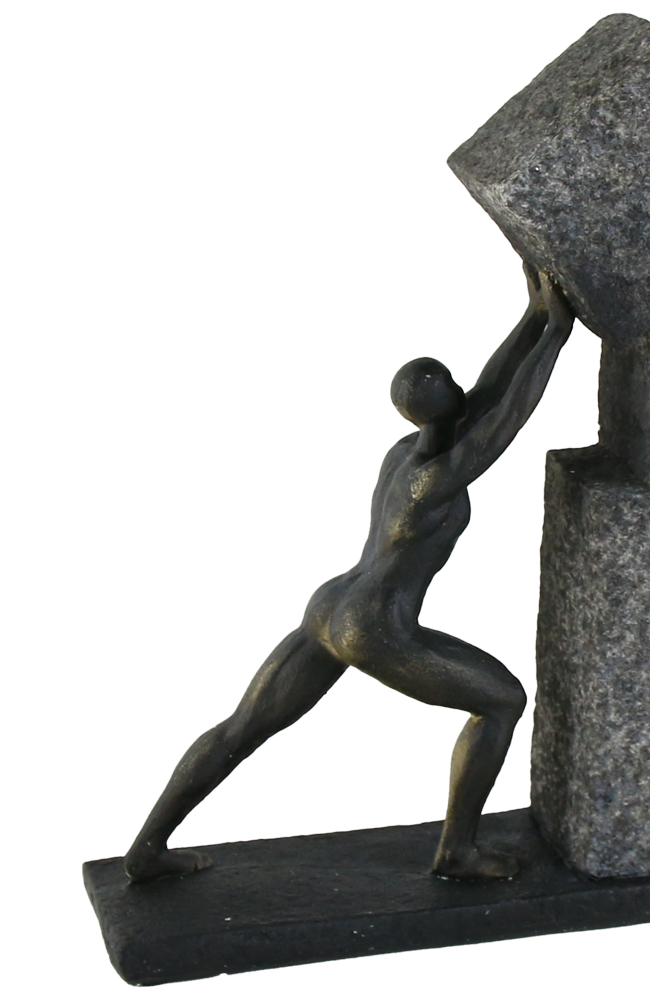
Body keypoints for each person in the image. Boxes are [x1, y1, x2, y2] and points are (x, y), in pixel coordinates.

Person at [124, 264, 575, 882]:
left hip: (329, 606)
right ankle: (457, 851)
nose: (465, 390)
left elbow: (490, 393)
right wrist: (556, 335)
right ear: (446, 400)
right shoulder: (434, 479)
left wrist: (533, 316)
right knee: (502, 701)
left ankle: (146, 849)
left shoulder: (404, 453)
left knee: (241, 729)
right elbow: (506, 416)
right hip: (376, 625)